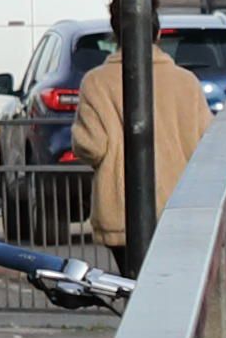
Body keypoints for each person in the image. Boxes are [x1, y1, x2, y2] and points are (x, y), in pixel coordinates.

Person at [69, 27, 218, 263]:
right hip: (179, 211)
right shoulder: (186, 82)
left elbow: (92, 146)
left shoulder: (96, 82)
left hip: (122, 215)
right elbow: (207, 143)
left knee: (135, 290)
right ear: (157, 34)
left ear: (115, 35)